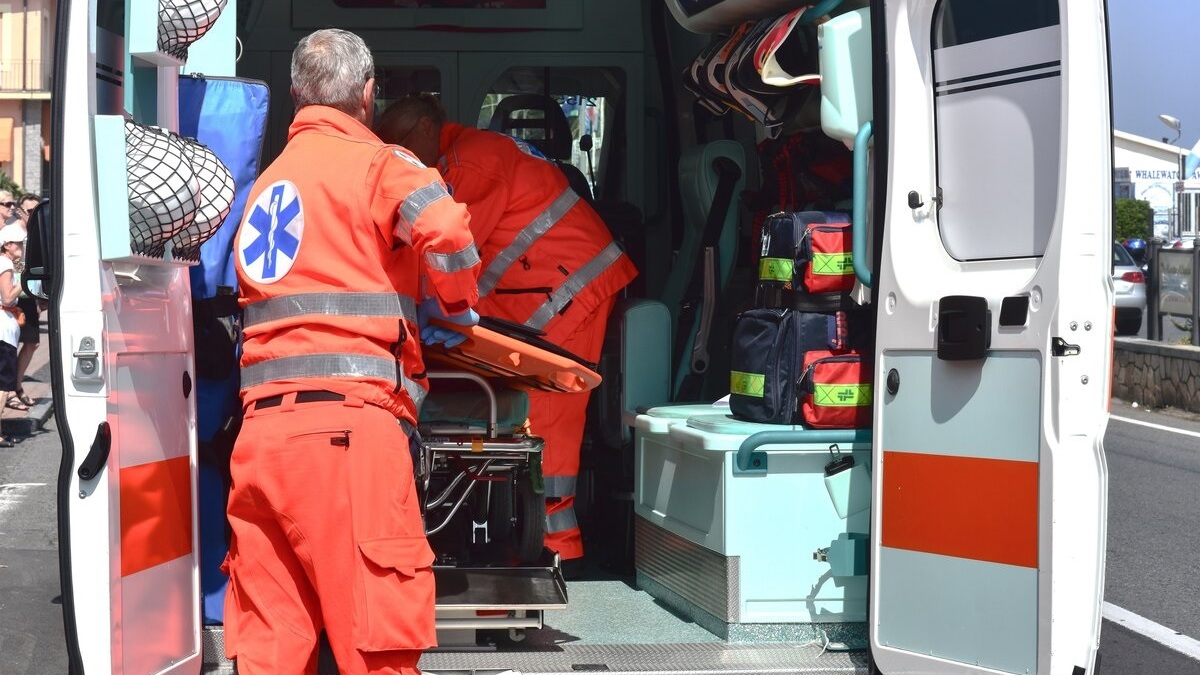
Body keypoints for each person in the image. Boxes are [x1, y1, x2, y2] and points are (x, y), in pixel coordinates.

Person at [225, 29, 480, 675]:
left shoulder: (267, 186)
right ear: (368, 94)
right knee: (377, 641)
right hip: (347, 435)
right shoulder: (379, 164)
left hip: (261, 439)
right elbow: (447, 230)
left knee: (272, 641)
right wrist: (456, 307)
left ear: (295, 96)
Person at [376, 94, 637, 570]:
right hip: (551, 290)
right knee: (530, 417)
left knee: (549, 418)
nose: (401, 160)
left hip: (568, 296)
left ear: (427, 129)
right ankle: (519, 536)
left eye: (402, 146)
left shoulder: (470, 166)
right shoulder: (471, 156)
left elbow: (448, 251)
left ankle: (559, 551)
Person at [9, 193, 43, 409]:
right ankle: (10, 391)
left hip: (29, 295)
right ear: (20, 211)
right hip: (12, 295)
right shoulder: (11, 233)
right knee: (10, 344)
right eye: (29, 211)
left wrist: (39, 297)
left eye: (36, 211)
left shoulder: (39, 233)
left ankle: (16, 385)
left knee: (31, 342)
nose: (33, 215)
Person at [0, 224, 25, 447]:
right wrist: (22, 279)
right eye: (18, 243)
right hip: (3, 328)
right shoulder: (5, 264)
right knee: (3, 384)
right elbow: (7, 298)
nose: (21, 246)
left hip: (5, 325)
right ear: (6, 246)